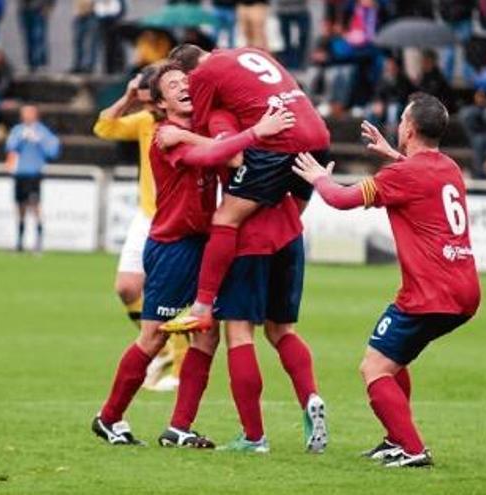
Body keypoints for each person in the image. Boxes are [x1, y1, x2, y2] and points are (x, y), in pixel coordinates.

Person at [90, 63, 295, 446]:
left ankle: (179, 428)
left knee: (206, 338)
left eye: (186, 81)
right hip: (172, 247)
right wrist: (256, 133)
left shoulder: (194, 130)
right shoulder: (166, 135)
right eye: (172, 85)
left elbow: (231, 158)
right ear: (162, 102)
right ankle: (108, 417)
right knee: (153, 337)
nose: (183, 87)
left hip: (201, 244)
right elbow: (211, 157)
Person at [292, 93, 481, 468]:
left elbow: (342, 200)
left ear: (408, 129)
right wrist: (394, 156)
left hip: (430, 293)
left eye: (401, 121)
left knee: (374, 368)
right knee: (393, 361)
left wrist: (319, 179)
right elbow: (419, 179)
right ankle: (396, 439)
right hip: (464, 289)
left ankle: (412, 448)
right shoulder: (448, 168)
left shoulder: (403, 174)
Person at [156, 109, 328, 453]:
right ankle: (310, 397)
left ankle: (253, 437)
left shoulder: (223, 114)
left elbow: (233, 155)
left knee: (237, 333)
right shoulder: (274, 111)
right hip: (290, 232)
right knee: (282, 332)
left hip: (247, 238)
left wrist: (187, 136)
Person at [159, 43, 330, 333]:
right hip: (318, 136)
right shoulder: (248, 52)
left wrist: (180, 134)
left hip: (280, 143)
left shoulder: (203, 75)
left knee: (226, 218)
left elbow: (215, 140)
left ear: (189, 75)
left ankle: (201, 307)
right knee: (288, 215)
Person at [93, 64, 187, 392]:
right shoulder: (146, 121)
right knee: (127, 288)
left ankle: (178, 366)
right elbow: (104, 127)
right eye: (145, 102)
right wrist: (128, 96)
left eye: (151, 102)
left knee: (173, 297)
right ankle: (158, 348)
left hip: (177, 218)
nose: (148, 109)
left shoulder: (186, 124)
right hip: (147, 216)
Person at [5, 105, 61, 253]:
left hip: (34, 174)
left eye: (29, 113)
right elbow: (9, 147)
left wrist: (38, 141)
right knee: (20, 208)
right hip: (20, 173)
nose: (26, 116)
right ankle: (19, 244)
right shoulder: (18, 130)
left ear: (36, 114)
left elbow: (53, 151)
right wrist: (22, 138)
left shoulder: (43, 132)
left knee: (35, 207)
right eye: (24, 113)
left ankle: (38, 243)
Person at [19, 0, 55, 73]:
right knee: (28, 38)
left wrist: (49, 6)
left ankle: (40, 64)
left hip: (40, 9)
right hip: (25, 9)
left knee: (38, 37)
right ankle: (31, 64)